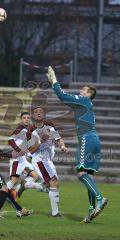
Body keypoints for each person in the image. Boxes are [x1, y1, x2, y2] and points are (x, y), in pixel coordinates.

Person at [47, 66, 108, 223]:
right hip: (95, 140)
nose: (81, 91)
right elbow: (68, 102)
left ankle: (100, 198)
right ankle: (90, 211)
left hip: (87, 139)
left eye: (84, 89)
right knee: (89, 177)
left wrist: (54, 81)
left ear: (88, 94)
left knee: (81, 174)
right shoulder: (84, 105)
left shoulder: (84, 100)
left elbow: (62, 96)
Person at [30, 106, 68, 217]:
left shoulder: (50, 127)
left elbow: (58, 138)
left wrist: (62, 146)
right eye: (36, 112)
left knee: (54, 184)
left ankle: (30, 185)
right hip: (39, 161)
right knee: (54, 183)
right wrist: (40, 141)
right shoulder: (30, 130)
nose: (38, 113)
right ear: (33, 115)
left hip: (48, 161)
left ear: (44, 115)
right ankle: (55, 213)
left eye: (40, 111)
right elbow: (31, 150)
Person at [7, 112, 45, 194]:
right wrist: (18, 150)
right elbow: (10, 140)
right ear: (21, 119)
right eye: (24, 118)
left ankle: (18, 189)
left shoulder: (28, 129)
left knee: (35, 176)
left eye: (28, 118)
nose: (26, 119)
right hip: (16, 160)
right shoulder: (19, 128)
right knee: (13, 181)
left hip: (23, 160)